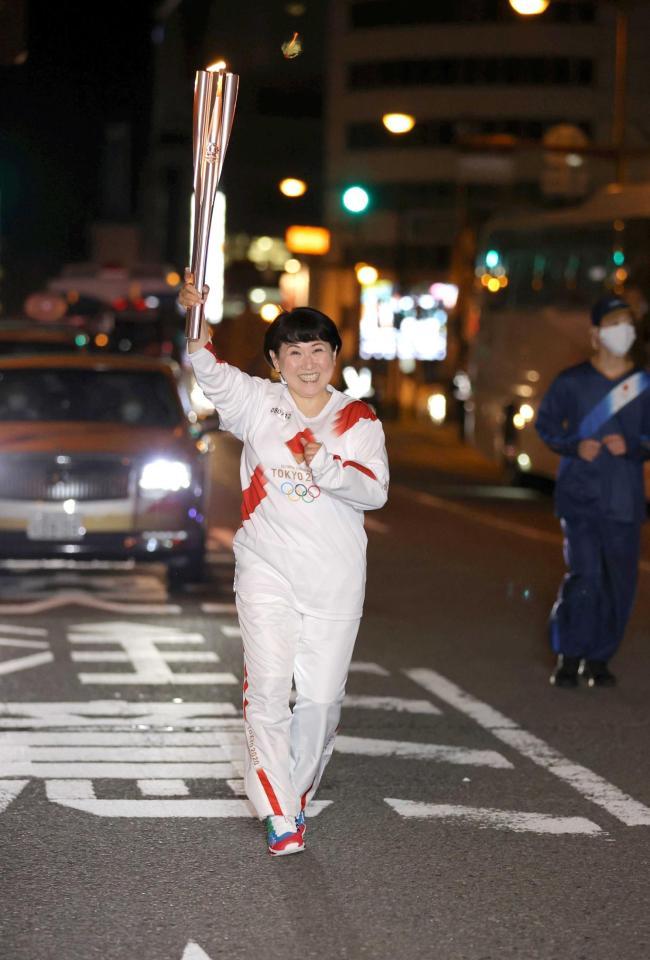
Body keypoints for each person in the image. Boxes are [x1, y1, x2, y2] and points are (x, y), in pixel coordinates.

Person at [179, 274, 389, 855]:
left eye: (318, 349)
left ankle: (292, 795)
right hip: (266, 567)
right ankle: (280, 813)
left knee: (320, 700)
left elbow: (375, 493)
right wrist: (195, 318)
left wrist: (325, 466)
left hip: (335, 578)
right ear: (275, 361)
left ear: (335, 357)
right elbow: (207, 366)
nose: (307, 361)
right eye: (293, 351)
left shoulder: (358, 420)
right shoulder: (257, 403)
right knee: (269, 689)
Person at [536, 295, 650, 689]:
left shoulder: (644, 384)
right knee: (583, 576)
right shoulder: (572, 381)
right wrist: (572, 444)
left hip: (624, 498)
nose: (625, 331)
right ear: (596, 334)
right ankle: (569, 654)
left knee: (619, 581)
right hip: (580, 495)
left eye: (628, 323)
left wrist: (634, 446)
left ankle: (599, 658)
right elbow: (545, 423)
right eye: (616, 324)